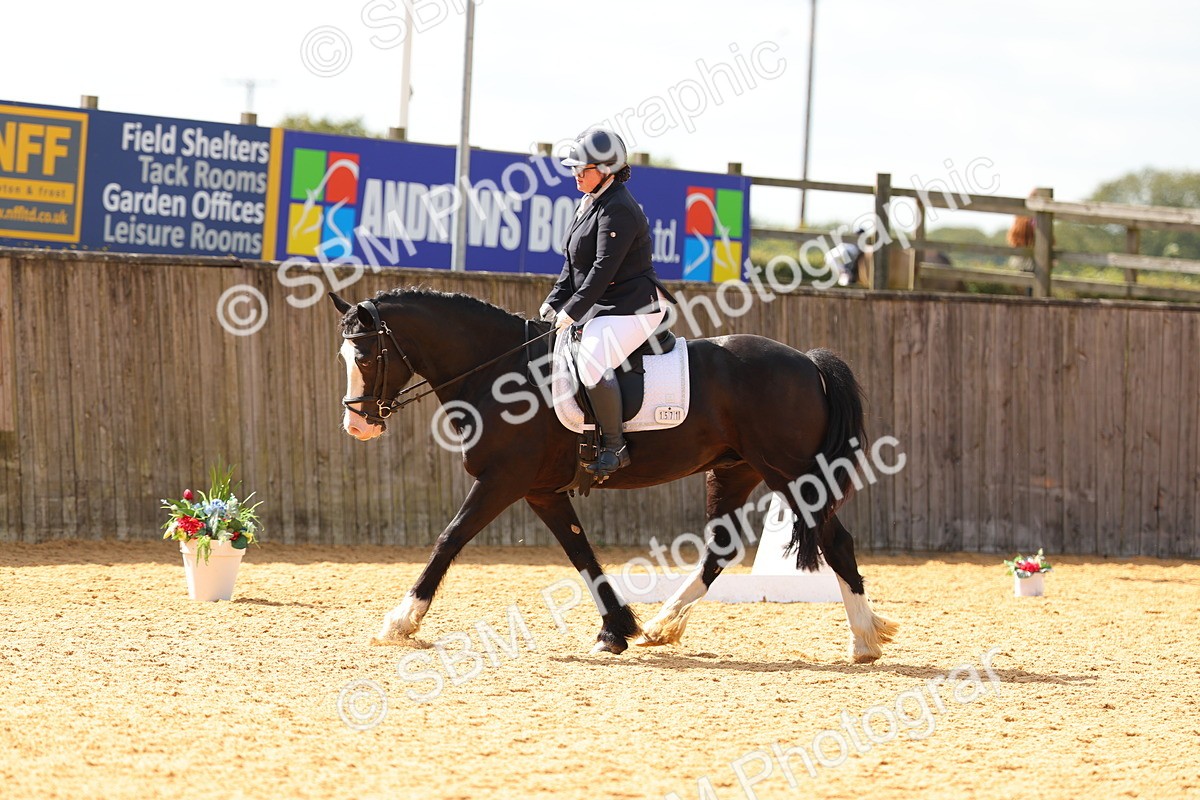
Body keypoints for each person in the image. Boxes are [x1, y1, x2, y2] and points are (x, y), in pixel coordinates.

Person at [539, 127, 677, 479]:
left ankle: (616, 447)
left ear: (608, 170)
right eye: (574, 168)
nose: (576, 175)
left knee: (592, 362)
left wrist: (572, 311)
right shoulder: (590, 203)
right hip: (608, 305)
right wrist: (554, 302)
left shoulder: (620, 210)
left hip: (636, 307)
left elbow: (602, 270)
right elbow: (573, 265)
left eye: (582, 169)